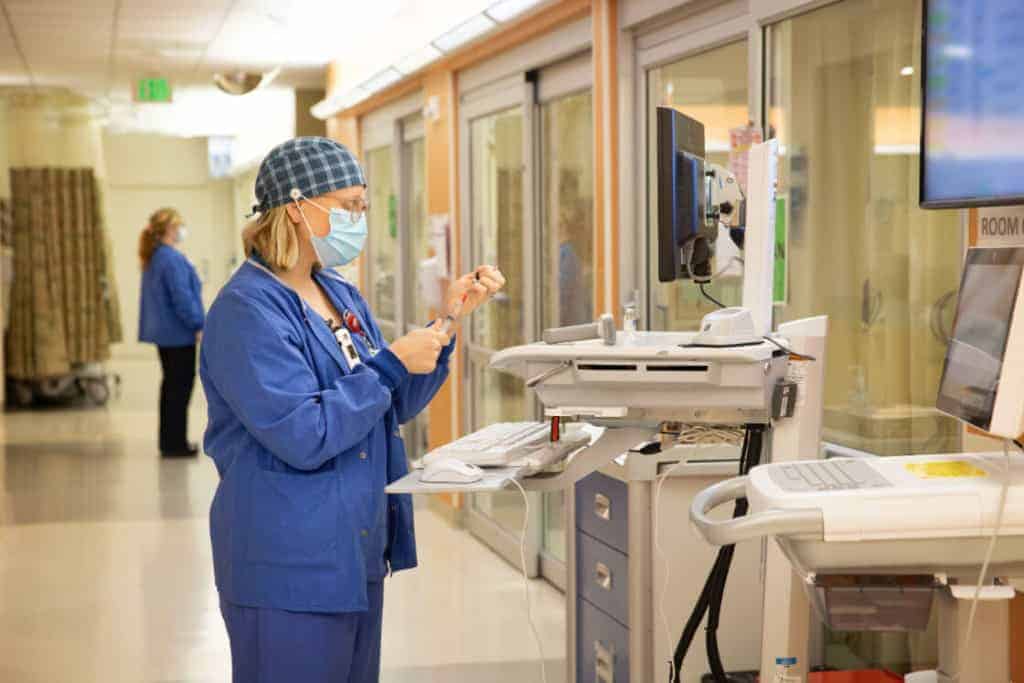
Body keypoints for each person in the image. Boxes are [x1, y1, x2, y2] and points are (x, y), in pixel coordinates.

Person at [199, 137, 505, 683]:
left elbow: (393, 404)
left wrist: (447, 322)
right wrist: (389, 364)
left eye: (362, 206)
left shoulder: (338, 293)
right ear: (296, 208)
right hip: (286, 560)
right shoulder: (246, 312)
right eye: (348, 207)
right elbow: (305, 434)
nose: (359, 220)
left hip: (352, 548)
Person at [138, 207, 204, 458]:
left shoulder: (156, 257)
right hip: (179, 335)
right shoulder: (171, 259)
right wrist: (198, 324)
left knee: (170, 388)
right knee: (179, 389)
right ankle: (175, 443)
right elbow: (182, 298)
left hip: (166, 335)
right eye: (178, 226)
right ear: (168, 229)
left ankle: (170, 441)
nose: (181, 231)